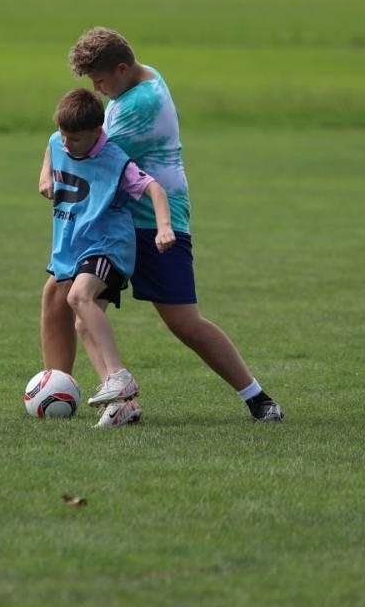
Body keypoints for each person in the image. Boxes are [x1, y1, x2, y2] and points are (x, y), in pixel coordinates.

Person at [38, 26, 284, 421]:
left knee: (184, 322)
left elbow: (85, 149)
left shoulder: (142, 104)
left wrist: (52, 160)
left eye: (99, 80)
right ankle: (94, 399)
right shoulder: (138, 74)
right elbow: (72, 140)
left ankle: (257, 397)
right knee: (73, 304)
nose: (98, 90)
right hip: (113, 221)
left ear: (121, 68)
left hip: (153, 223)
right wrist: (49, 162)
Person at [44, 88, 176, 427]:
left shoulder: (115, 160)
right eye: (63, 134)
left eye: (74, 138)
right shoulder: (58, 142)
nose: (66, 142)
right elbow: (50, 152)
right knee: (82, 324)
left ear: (97, 133)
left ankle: (119, 375)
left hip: (108, 245)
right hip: (76, 246)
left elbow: (155, 189)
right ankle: (122, 404)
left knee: (78, 297)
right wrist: (45, 178)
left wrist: (164, 227)